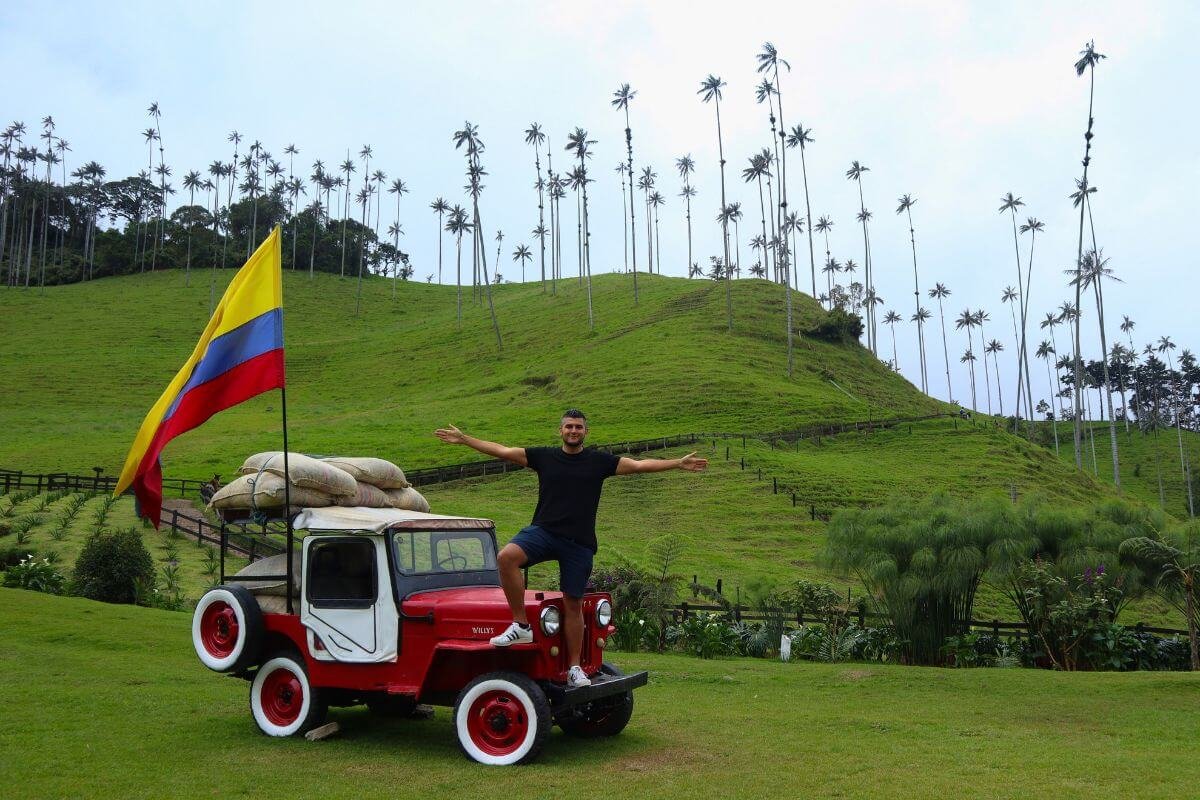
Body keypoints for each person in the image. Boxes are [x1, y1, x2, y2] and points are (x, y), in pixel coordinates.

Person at [435, 410, 707, 687]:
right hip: (544, 532)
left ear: (585, 432)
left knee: (573, 603)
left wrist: (677, 463)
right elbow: (503, 451)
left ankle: (575, 668)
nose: (573, 431)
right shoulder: (543, 457)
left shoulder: (599, 462)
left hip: (578, 543)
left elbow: (638, 465)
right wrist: (464, 439)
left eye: (578, 427)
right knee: (506, 558)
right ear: (561, 431)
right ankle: (521, 625)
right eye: (569, 426)